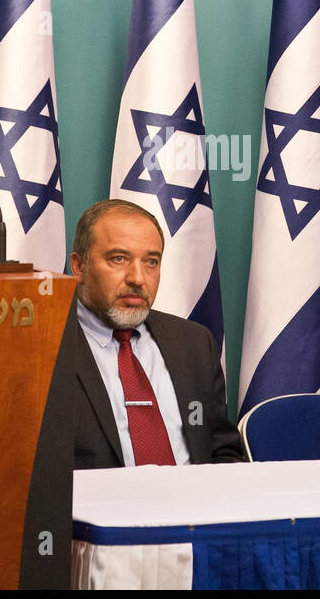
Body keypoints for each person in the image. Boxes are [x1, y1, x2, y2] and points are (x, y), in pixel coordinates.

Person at [61, 199, 244, 469]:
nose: (137, 278)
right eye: (119, 259)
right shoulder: (45, 348)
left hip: (193, 505)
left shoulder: (193, 344)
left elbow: (222, 450)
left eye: (151, 261)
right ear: (79, 266)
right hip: (96, 508)